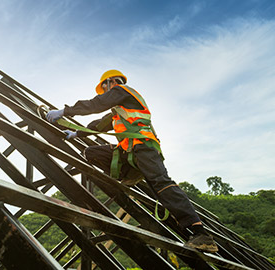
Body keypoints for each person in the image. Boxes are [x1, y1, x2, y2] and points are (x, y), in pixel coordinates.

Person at [46, 69, 218, 253]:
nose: (105, 93)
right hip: (130, 152)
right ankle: (129, 173)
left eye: (105, 88)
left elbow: (96, 104)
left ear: (111, 82)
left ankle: (200, 233)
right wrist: (75, 133)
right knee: (92, 152)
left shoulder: (123, 91)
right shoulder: (119, 110)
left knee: (162, 184)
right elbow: (98, 125)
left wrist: (65, 111)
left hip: (144, 148)